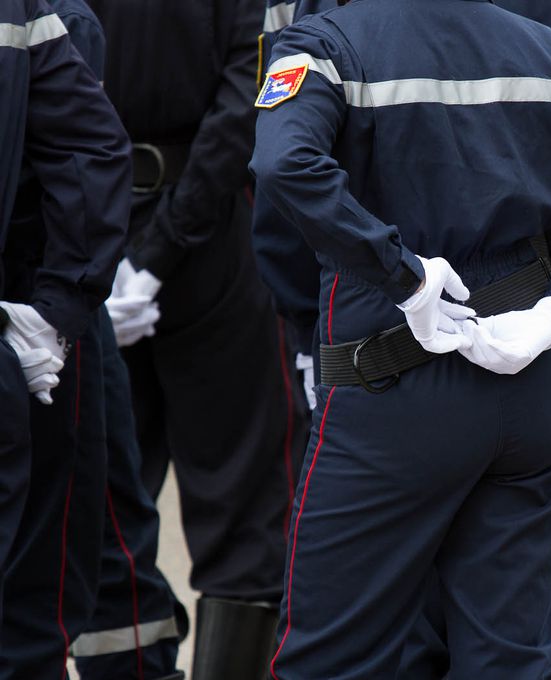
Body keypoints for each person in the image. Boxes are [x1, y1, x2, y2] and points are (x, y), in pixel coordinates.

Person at [250, 1, 551, 676]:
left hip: (388, 382)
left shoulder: (326, 43)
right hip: (526, 386)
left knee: (333, 658)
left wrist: (401, 278)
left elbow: (283, 170)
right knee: (513, 657)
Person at [85, 1, 310, 675]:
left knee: (111, 499)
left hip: (114, 231)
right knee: (125, 502)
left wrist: (133, 251)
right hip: (189, 230)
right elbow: (258, 92)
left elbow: (259, 86)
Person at [0, 0, 133, 674]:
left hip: (30, 314)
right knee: (33, 599)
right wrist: (56, 312)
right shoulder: (45, 16)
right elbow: (90, 153)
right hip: (25, 318)